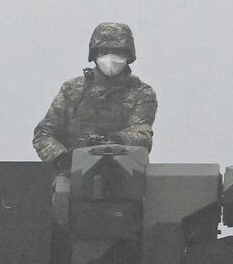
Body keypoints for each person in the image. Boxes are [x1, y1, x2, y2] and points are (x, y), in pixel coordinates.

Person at [32, 22, 158, 161]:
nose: (110, 58)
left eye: (117, 52)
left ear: (128, 56)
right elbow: (44, 133)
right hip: (72, 172)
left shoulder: (142, 93)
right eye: (104, 52)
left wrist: (112, 140)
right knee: (62, 183)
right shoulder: (73, 90)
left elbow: (142, 134)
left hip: (126, 171)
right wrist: (61, 158)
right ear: (95, 55)